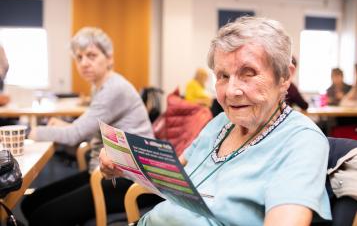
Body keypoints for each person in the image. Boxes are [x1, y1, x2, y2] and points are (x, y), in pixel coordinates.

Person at [99, 17, 332, 225]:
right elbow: (173, 173)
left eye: (248, 73)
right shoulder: (220, 123)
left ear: (285, 77)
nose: (231, 91)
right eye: (223, 76)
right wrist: (125, 163)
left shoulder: (301, 141)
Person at [21, 27, 159, 226]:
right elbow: (87, 127)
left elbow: (75, 135)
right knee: (30, 203)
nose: (84, 62)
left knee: (41, 216)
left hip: (129, 180)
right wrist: (64, 125)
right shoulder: (100, 86)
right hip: (105, 171)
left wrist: (29, 132)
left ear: (109, 58)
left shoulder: (114, 88)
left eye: (91, 55)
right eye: (79, 57)